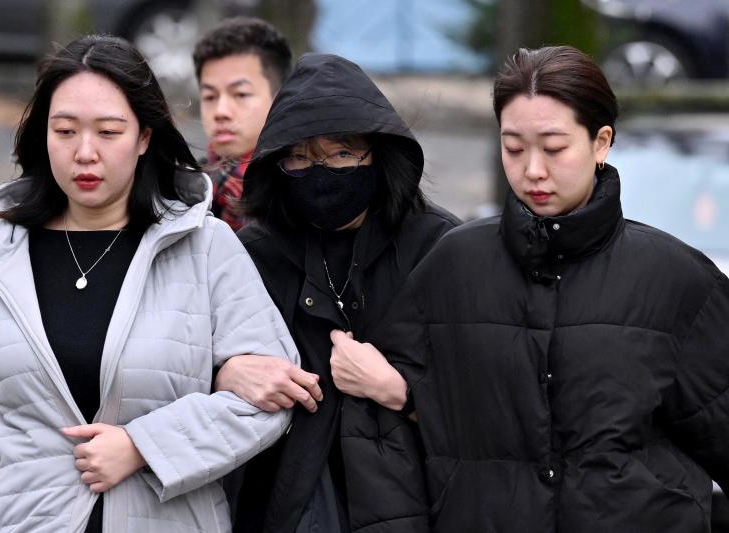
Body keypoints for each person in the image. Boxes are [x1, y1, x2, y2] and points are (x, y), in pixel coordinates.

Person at [338, 45, 729, 532]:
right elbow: (385, 438)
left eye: (554, 147)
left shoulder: (675, 280)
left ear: (601, 142)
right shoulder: (453, 266)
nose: (533, 170)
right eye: (514, 148)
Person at [0, 34, 298, 533]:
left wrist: (145, 446)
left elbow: (269, 399)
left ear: (144, 137)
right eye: (64, 131)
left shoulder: (206, 244)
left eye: (108, 131)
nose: (85, 153)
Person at [213, 53, 460, 533]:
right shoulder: (253, 253)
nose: (321, 171)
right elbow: (182, 366)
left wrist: (398, 392)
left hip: (413, 499)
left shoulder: (439, 247)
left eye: (342, 154)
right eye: (300, 158)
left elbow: (485, 399)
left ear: (378, 153)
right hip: (284, 496)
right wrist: (226, 373)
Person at [193, 16, 292, 231]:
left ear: (281, 99)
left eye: (240, 94)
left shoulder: (302, 189)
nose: (220, 111)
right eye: (210, 96)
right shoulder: (187, 193)